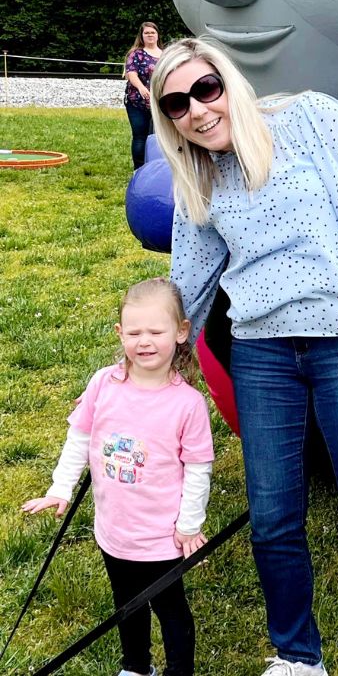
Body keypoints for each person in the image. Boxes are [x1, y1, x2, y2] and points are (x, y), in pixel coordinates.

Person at [151, 36, 338, 676]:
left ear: (229, 83)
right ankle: (299, 656)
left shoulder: (310, 119)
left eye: (206, 88)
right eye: (176, 103)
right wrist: (163, 355)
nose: (197, 110)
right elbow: (189, 276)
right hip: (261, 352)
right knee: (273, 519)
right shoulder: (197, 175)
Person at [22, 278, 214, 676]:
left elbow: (198, 467)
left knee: (171, 609)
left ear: (181, 332)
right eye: (134, 332)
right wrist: (60, 489)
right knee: (126, 603)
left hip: (161, 537)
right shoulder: (103, 384)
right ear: (119, 333)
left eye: (156, 331)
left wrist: (189, 524)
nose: (145, 341)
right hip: (114, 530)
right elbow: (80, 437)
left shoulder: (188, 404)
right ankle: (136, 666)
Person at [125, 22, 164, 169]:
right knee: (140, 137)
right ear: (141, 36)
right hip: (137, 103)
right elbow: (131, 73)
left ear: (157, 35)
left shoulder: (165, 54)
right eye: (146, 33)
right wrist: (141, 88)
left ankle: (155, 167)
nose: (150, 35)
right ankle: (139, 170)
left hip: (159, 103)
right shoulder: (136, 54)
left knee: (157, 138)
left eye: (152, 32)